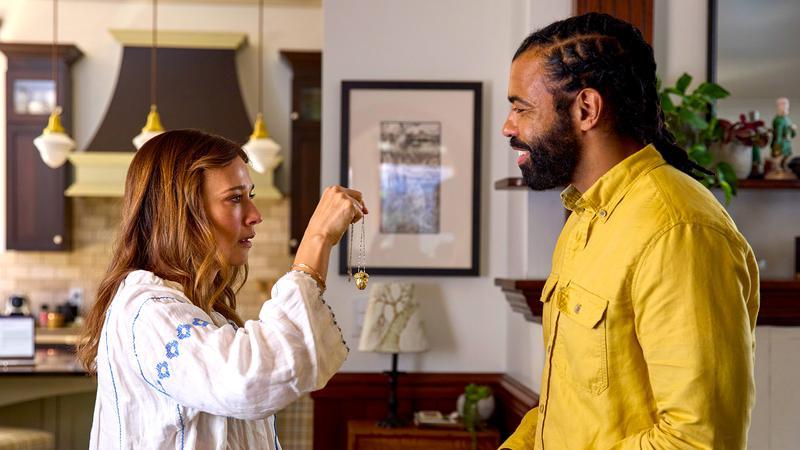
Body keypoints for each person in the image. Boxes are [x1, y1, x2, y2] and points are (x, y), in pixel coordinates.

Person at [500, 13, 759, 449]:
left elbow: (697, 440)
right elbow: (564, 410)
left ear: (586, 109)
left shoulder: (680, 230)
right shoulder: (584, 217)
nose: (509, 127)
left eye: (521, 108)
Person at [77, 129, 366, 449]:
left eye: (250, 197)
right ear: (182, 213)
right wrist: (317, 241)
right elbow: (250, 380)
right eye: (234, 198)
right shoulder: (149, 311)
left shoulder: (198, 309)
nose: (255, 216)